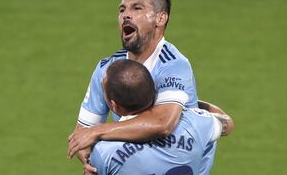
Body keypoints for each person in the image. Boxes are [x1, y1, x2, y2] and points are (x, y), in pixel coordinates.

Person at [67, 0, 233, 174]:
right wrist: (92, 159)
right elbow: (82, 136)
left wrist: (98, 135)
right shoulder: (107, 69)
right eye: (122, 10)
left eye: (137, 8)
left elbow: (162, 123)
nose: (126, 14)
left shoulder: (173, 64)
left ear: (160, 18)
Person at [89, 59, 233, 175]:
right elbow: (226, 123)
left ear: (114, 106)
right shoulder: (194, 122)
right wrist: (182, 104)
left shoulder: (104, 153)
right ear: (154, 93)